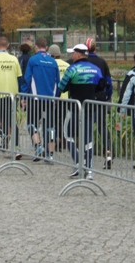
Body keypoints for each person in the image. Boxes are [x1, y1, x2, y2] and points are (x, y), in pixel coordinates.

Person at [58, 44, 106, 179]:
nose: (71, 56)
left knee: (68, 135)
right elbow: (102, 87)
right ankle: (89, 169)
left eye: (73, 53)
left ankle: (79, 162)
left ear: (78, 54)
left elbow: (62, 87)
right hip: (90, 108)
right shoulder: (96, 69)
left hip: (74, 108)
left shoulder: (72, 69)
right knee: (88, 138)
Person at [21, 37, 59, 163]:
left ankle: (38, 147)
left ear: (36, 47)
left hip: (35, 98)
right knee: (50, 127)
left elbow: (27, 79)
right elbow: (58, 82)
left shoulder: (33, 60)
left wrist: (23, 97)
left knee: (32, 123)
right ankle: (51, 155)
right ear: (46, 47)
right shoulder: (53, 62)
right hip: (50, 99)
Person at [0, 36, 23, 159]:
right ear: (7, 46)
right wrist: (20, 95)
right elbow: (19, 79)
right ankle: (17, 148)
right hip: (12, 95)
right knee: (12, 122)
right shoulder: (14, 59)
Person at [85, 37, 114, 170]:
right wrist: (107, 95)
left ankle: (86, 157)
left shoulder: (83, 62)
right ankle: (108, 153)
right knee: (102, 127)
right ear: (96, 48)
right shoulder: (102, 62)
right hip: (100, 99)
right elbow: (109, 81)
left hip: (86, 99)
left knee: (87, 127)